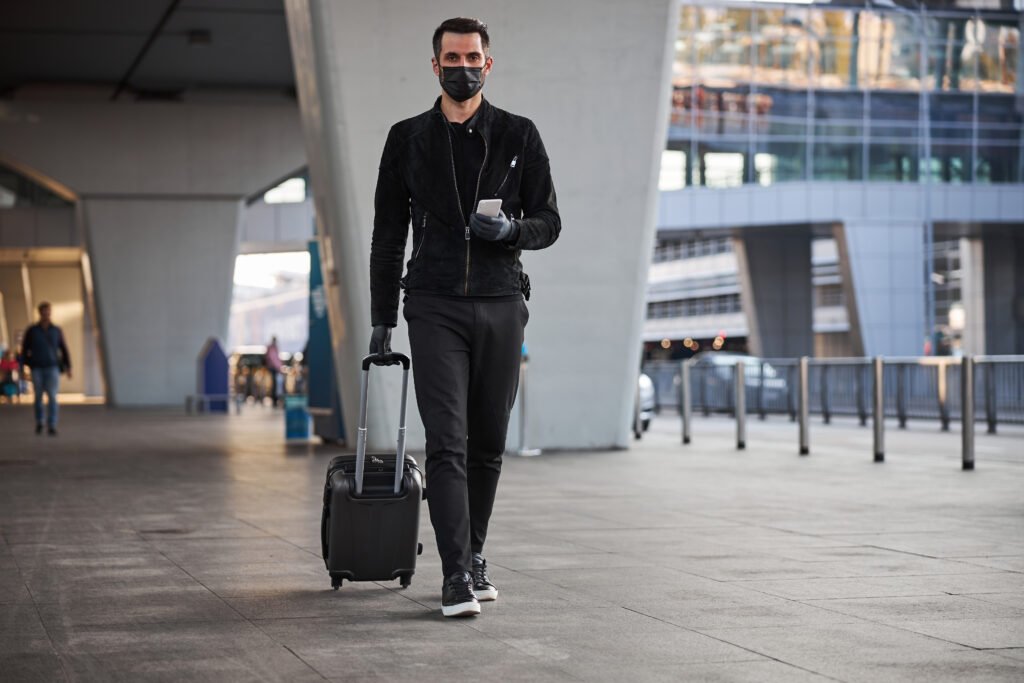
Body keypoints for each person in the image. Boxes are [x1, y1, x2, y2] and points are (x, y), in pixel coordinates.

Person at [369, 17, 560, 617]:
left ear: (488, 64)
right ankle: (455, 575)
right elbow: (386, 235)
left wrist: (511, 232)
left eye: (472, 56)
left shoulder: (518, 135)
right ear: (435, 66)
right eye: (451, 57)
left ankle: (474, 555)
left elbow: (549, 222)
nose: (462, 66)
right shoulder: (407, 139)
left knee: (489, 445)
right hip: (433, 304)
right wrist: (382, 318)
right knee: (447, 442)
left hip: (502, 304)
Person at [21, 302, 72, 435]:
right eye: (44, 312)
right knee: (38, 397)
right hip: (37, 368)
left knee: (53, 397)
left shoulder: (56, 330)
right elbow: (24, 350)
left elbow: (64, 349)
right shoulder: (32, 331)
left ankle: (52, 424)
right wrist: (25, 366)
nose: (46, 314)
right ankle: (40, 421)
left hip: (52, 367)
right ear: (40, 313)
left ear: (50, 313)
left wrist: (68, 367)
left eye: (48, 312)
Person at [265, 336, 283, 407]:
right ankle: (275, 399)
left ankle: (275, 399)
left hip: (274, 367)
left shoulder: (272, 347)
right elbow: (273, 358)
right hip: (274, 368)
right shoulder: (272, 348)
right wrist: (278, 367)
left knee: (275, 384)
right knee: (275, 384)